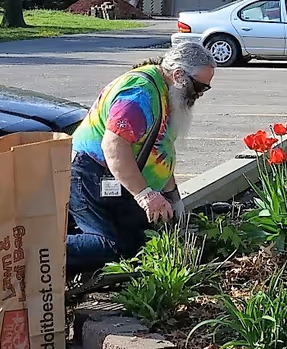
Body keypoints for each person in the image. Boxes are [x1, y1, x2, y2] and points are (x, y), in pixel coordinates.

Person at [66, 39, 215, 275]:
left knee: (137, 239)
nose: (199, 95)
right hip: (90, 173)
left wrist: (172, 197)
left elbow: (159, 151)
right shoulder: (140, 96)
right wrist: (145, 196)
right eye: (198, 87)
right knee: (109, 247)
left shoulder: (165, 95)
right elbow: (114, 147)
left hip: (114, 178)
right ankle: (33, 252)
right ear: (178, 76)